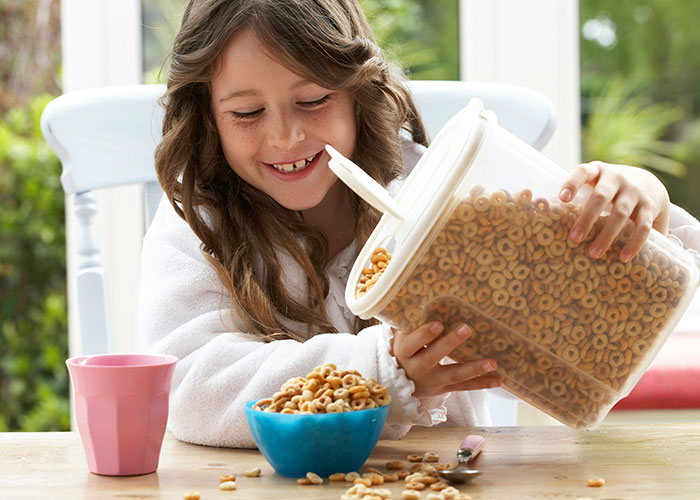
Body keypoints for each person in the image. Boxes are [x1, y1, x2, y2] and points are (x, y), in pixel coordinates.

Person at [140, 0, 700, 448]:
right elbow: (186, 386)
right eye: (246, 113)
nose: (285, 137)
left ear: (357, 91)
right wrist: (378, 372)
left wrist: (643, 206)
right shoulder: (199, 220)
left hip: (448, 475)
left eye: (313, 100)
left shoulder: (431, 184)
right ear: (208, 114)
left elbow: (650, 270)